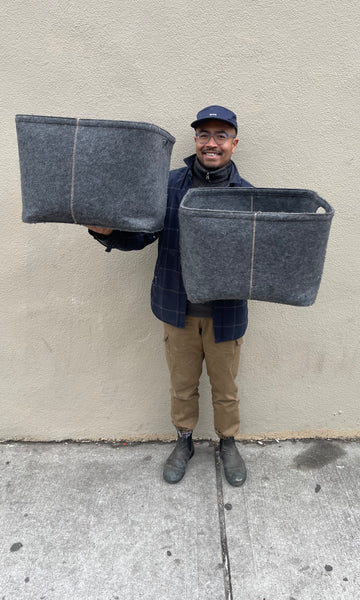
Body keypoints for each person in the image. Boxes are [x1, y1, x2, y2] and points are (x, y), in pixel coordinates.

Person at [88, 105, 252, 486]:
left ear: (234, 143)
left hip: (225, 313)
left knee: (226, 388)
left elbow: (257, 257)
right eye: (204, 135)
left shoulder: (247, 195)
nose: (212, 143)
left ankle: (228, 443)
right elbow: (142, 235)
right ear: (195, 140)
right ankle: (184, 441)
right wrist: (107, 232)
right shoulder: (169, 186)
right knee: (182, 384)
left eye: (221, 136)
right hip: (177, 309)